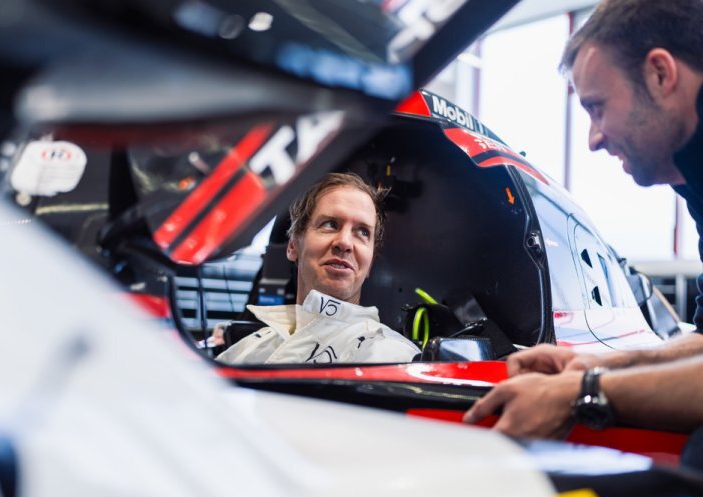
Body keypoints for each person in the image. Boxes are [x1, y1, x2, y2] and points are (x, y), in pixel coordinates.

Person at [464, 0, 703, 438]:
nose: (593, 139)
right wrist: (599, 363)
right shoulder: (693, 179)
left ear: (660, 74)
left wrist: (582, 392)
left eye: (597, 108)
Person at [217, 172, 420, 364]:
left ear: (370, 265)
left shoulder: (394, 356)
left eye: (362, 232)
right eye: (331, 224)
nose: (345, 242)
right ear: (293, 245)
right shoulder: (243, 353)